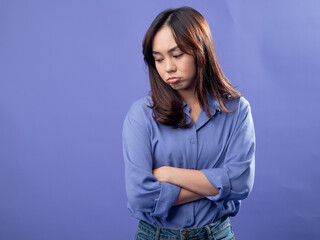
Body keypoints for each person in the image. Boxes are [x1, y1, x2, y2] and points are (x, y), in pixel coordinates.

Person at [122, 6, 255, 240]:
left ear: (200, 50)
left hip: (216, 234)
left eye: (177, 55)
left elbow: (240, 184)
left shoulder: (236, 110)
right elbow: (140, 197)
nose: (168, 68)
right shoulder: (141, 115)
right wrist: (216, 187)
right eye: (159, 59)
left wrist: (169, 174)